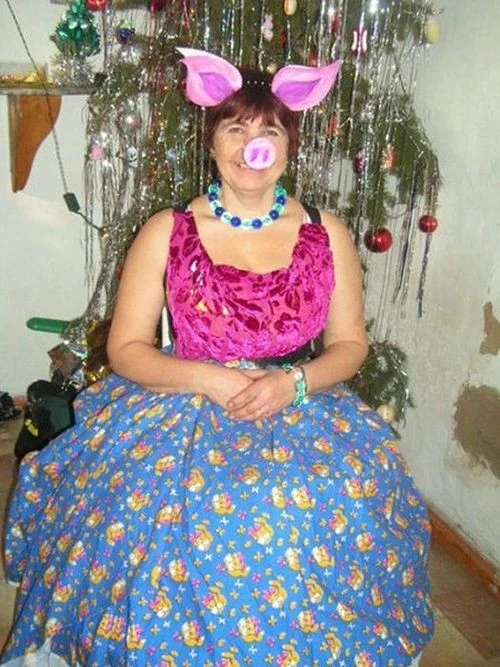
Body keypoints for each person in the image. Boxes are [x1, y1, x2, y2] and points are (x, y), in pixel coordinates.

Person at [1, 48, 433, 666]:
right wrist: (206, 379)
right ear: (211, 140)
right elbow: (126, 349)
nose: (251, 144)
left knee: (327, 497)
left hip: (298, 397)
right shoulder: (167, 229)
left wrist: (292, 383)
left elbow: (350, 345)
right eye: (235, 128)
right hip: (184, 394)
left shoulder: (327, 233)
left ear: (289, 146)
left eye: (269, 131)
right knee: (185, 512)